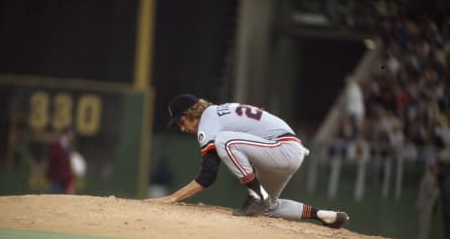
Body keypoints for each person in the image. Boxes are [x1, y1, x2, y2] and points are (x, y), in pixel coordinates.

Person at [147, 94, 349, 228]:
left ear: (192, 113)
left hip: (282, 148)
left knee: (224, 141)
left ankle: (256, 195)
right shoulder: (220, 112)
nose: (183, 128)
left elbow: (208, 175)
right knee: (270, 208)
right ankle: (325, 215)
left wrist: (171, 198)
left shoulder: (208, 121)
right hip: (286, 151)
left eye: (182, 122)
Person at [47, 126, 76, 194]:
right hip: (57, 177)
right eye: (72, 134)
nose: (73, 136)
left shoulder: (68, 145)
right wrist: (51, 174)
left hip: (66, 177)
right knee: (57, 197)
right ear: (68, 134)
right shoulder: (57, 145)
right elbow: (52, 161)